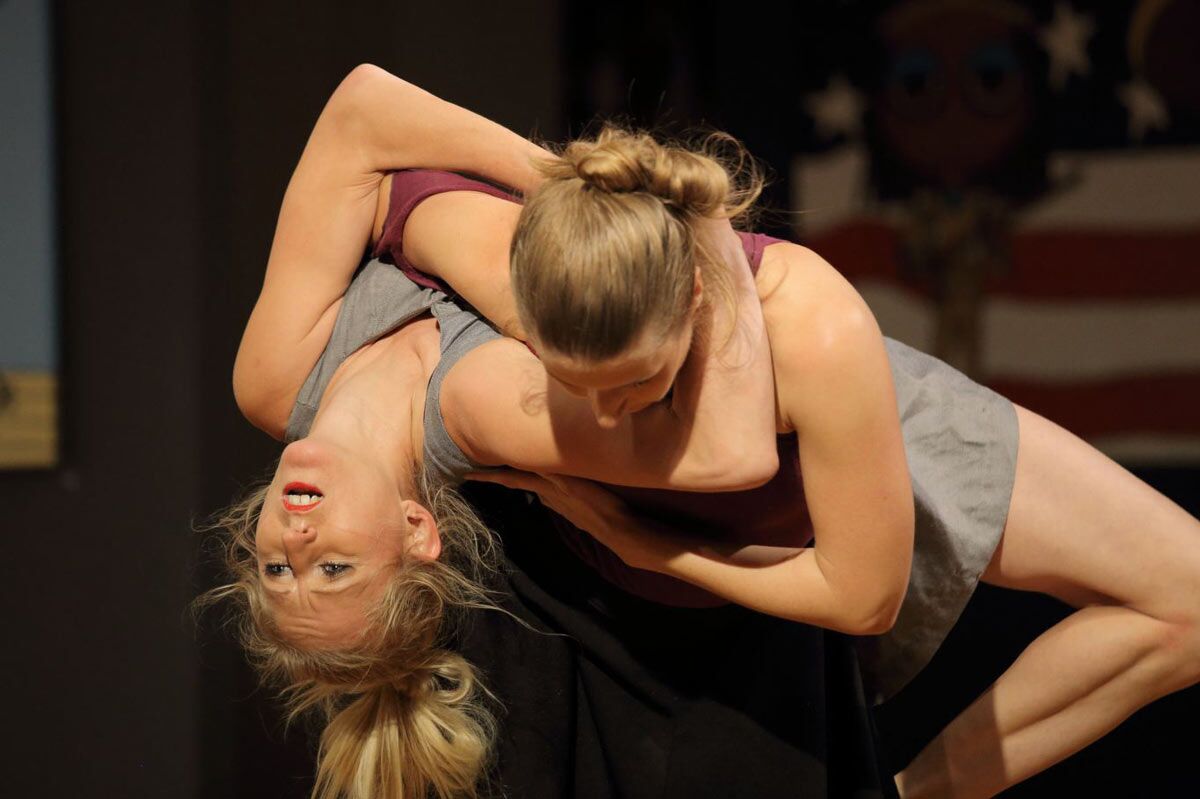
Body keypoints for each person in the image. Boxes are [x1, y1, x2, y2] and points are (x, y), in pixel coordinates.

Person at [334, 69, 1200, 798]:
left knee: (1188, 598)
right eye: (578, 384)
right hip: (715, 478)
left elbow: (846, 576)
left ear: (690, 303)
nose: (605, 414)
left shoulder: (810, 326)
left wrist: (654, 547)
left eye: (635, 383)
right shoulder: (509, 269)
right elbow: (365, 117)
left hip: (846, 416)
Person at [207, 64, 891, 799]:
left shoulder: (273, 379)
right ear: (415, 530)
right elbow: (731, 451)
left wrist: (574, 185)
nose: (297, 545)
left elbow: (362, 106)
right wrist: (687, 223)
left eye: (276, 570)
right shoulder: (481, 405)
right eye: (333, 568)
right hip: (831, 395)